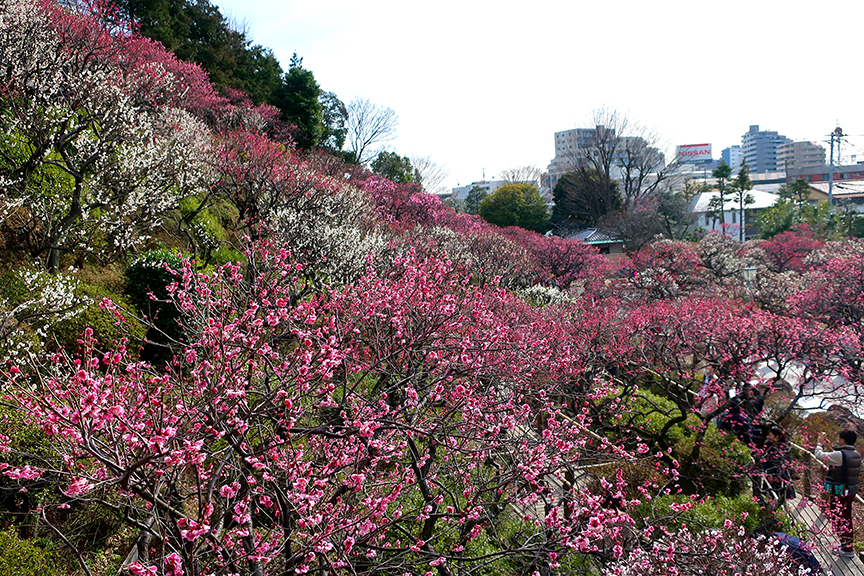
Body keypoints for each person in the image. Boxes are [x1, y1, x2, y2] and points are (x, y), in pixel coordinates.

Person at [815, 429, 861, 558]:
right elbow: (842, 461)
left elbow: (818, 455)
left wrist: (819, 443)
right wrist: (830, 448)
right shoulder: (856, 454)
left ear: (843, 440)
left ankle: (847, 549)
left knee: (840, 519)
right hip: (850, 491)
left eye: (840, 438)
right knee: (846, 518)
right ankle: (846, 546)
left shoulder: (840, 455)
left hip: (840, 491)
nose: (838, 440)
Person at [757, 427, 794, 504]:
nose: (769, 437)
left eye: (771, 435)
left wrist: (779, 477)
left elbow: (787, 463)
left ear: (776, 436)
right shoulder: (768, 445)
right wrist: (769, 475)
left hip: (781, 476)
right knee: (767, 495)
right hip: (770, 473)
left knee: (781, 496)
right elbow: (765, 461)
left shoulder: (785, 447)